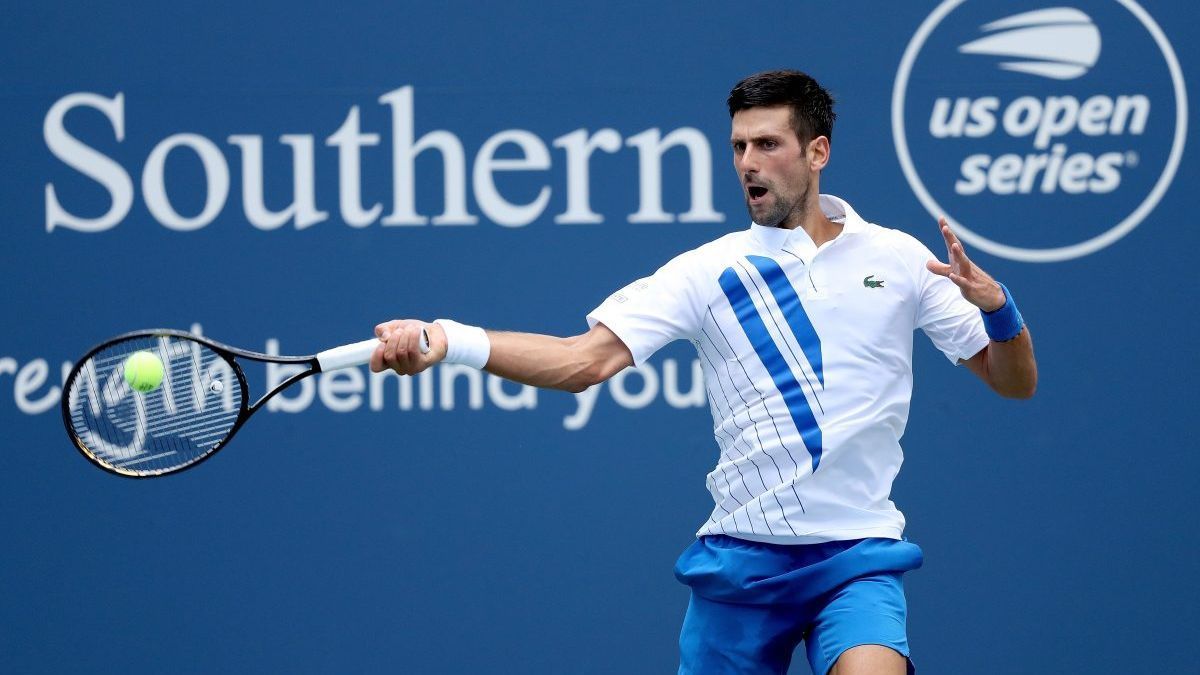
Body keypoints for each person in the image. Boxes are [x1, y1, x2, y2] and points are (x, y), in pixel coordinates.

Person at [370, 70, 1037, 675]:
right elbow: (584, 361)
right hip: (741, 563)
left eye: (768, 144)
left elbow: (1014, 381)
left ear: (817, 152)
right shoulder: (707, 271)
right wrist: (449, 340)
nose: (748, 162)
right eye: (739, 147)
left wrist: (1000, 310)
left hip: (856, 556)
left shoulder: (897, 259)